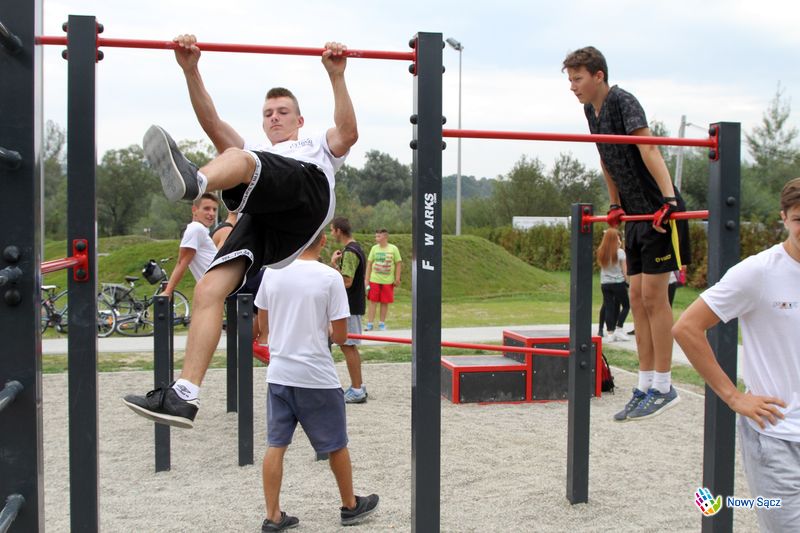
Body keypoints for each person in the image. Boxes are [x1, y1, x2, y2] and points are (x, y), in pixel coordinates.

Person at [123, 35, 357, 429]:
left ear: (299, 120)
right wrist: (190, 70)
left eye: (283, 112)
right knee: (208, 289)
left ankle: (196, 183)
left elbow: (348, 132)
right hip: (270, 224)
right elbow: (213, 123)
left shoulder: (313, 142)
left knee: (239, 159)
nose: (274, 118)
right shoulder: (256, 152)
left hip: (307, 194)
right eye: (268, 114)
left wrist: (336, 76)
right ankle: (185, 394)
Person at [564, 46, 691, 422]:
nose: (573, 87)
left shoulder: (622, 101)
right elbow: (606, 159)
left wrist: (669, 200)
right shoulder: (591, 112)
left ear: (598, 75)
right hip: (635, 214)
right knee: (636, 298)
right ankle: (645, 383)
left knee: (654, 298)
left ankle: (664, 386)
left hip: (657, 211)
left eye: (578, 79)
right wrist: (615, 202)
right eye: (570, 80)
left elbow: (647, 146)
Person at [673, 177, 800, 532]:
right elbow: (686, 328)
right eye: (799, 219)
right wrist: (733, 397)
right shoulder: (758, 272)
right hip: (778, 437)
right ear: (784, 218)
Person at [254, 230, 379, 530]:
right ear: (322, 241)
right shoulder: (329, 277)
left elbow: (263, 325)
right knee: (336, 444)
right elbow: (341, 336)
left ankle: (273, 515)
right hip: (316, 376)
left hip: (280, 374)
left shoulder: (271, 273)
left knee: (276, 444)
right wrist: (325, 330)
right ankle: (350, 505)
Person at [329, 216, 368, 403]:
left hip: (350, 306)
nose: (331, 234)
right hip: (352, 304)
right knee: (349, 346)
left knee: (348, 346)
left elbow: (346, 281)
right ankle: (358, 385)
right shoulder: (355, 248)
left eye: (332, 230)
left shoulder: (351, 252)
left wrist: (333, 266)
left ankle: (357, 389)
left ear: (339, 230)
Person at [160, 192, 219, 297]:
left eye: (214, 209)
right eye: (206, 208)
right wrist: (168, 292)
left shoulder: (201, 230)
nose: (212, 213)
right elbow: (182, 262)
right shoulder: (196, 228)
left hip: (218, 288)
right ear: (194, 210)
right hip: (219, 288)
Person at [365, 229, 402, 331]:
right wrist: (366, 279)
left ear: (385, 237)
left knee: (384, 302)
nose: (376, 238)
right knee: (373, 301)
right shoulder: (374, 248)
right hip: (374, 280)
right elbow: (369, 264)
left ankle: (382, 323)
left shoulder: (393, 249)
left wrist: (397, 278)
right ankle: (370, 324)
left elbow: (398, 263)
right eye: (376, 236)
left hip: (388, 281)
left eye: (379, 236)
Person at [597, 228, 630, 343]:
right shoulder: (620, 252)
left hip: (605, 283)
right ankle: (619, 328)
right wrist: (628, 282)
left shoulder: (601, 251)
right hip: (618, 283)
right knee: (626, 306)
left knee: (609, 307)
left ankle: (610, 333)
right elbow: (624, 271)